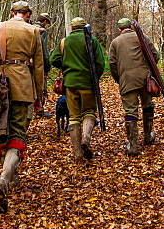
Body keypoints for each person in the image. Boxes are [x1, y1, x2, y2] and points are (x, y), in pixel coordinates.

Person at [0, 0, 44, 213]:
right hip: (22, 86)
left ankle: (11, 177)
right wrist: (38, 95)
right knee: (17, 135)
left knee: (2, 132)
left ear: (12, 13)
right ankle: (4, 180)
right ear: (27, 15)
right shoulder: (34, 31)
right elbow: (38, 66)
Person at [50, 17, 104, 164]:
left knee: (73, 117)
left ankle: (77, 154)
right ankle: (86, 139)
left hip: (70, 83)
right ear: (84, 27)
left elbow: (53, 59)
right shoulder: (92, 40)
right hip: (87, 83)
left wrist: (66, 65)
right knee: (89, 112)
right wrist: (94, 77)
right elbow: (100, 63)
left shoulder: (64, 41)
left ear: (72, 28)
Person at [107, 18, 158, 156]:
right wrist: (149, 70)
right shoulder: (143, 37)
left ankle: (133, 146)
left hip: (127, 81)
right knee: (148, 106)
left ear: (119, 30)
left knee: (130, 112)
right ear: (131, 27)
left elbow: (112, 64)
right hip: (145, 80)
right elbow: (155, 55)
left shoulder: (115, 42)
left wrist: (119, 78)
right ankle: (148, 137)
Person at [32, 13, 54, 118]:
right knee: (41, 88)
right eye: (47, 22)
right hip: (39, 64)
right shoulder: (42, 31)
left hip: (27, 65)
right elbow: (43, 49)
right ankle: (39, 111)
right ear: (44, 21)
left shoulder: (29, 27)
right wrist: (47, 65)